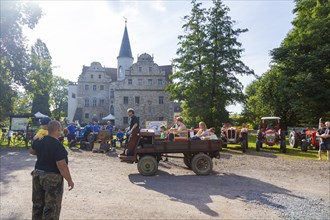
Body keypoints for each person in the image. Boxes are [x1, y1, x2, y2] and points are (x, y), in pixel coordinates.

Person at [29, 120, 74, 220]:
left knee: (37, 204)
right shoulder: (57, 145)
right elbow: (62, 166)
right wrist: (69, 180)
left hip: (37, 175)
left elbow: (32, 151)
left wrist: (43, 152)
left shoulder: (40, 140)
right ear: (58, 130)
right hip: (52, 178)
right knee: (51, 207)